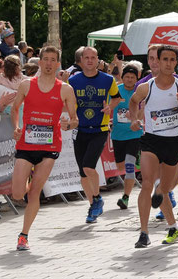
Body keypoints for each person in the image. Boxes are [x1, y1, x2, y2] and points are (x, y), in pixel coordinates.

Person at [128, 45, 178, 248]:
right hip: (151, 140)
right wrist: (134, 119)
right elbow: (133, 102)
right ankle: (143, 233)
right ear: (157, 61)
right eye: (164, 59)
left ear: (176, 62)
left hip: (174, 141)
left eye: (172, 59)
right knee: (147, 182)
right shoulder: (146, 87)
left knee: (165, 188)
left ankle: (173, 226)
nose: (168, 63)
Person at [9, 46, 78, 251]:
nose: (48, 63)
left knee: (35, 193)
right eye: (45, 59)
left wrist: (69, 124)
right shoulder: (26, 85)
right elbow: (14, 109)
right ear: (40, 62)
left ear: (58, 63)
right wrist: (16, 127)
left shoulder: (65, 89)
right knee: (17, 194)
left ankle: (24, 235)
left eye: (52, 60)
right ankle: (27, 182)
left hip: (49, 146)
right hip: (27, 144)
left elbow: (75, 119)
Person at [68, 47, 121, 223]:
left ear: (98, 60)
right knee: (83, 173)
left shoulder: (107, 80)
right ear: (81, 60)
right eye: (87, 58)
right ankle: (93, 206)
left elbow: (117, 97)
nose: (90, 61)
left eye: (93, 58)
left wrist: (110, 107)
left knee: (89, 167)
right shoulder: (73, 81)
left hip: (100, 129)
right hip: (80, 129)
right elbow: (68, 102)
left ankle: (97, 198)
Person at [112, 62, 144, 211]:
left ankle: (125, 197)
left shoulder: (140, 92)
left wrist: (135, 115)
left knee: (129, 166)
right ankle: (137, 162)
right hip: (118, 135)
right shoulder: (116, 91)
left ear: (136, 79)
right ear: (122, 78)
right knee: (120, 166)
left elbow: (143, 114)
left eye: (132, 77)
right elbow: (109, 107)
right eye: (127, 77)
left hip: (134, 134)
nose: (130, 79)